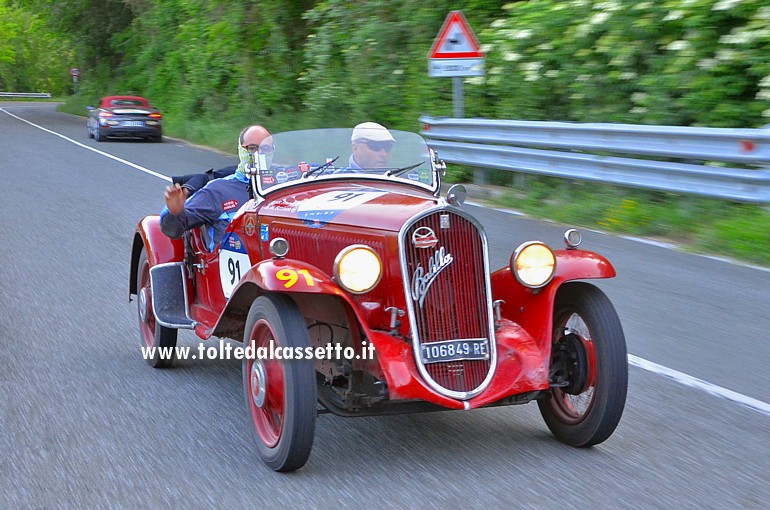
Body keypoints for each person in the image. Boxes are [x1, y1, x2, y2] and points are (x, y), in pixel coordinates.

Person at [160, 125, 271, 250]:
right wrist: (176, 212)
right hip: (230, 262)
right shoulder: (218, 190)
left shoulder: (284, 185)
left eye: (265, 149)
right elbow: (173, 230)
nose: (258, 154)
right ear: (241, 150)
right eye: (252, 148)